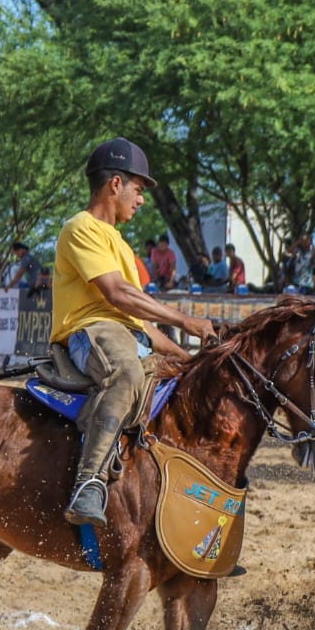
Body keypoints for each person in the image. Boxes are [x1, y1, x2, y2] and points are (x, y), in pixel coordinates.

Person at [52, 137, 215, 529]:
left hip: (125, 334)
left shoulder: (122, 245)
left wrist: (186, 359)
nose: (141, 200)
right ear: (115, 184)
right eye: (138, 190)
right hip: (90, 333)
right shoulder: (81, 228)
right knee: (125, 372)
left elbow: (139, 322)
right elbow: (118, 294)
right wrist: (186, 322)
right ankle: (88, 482)